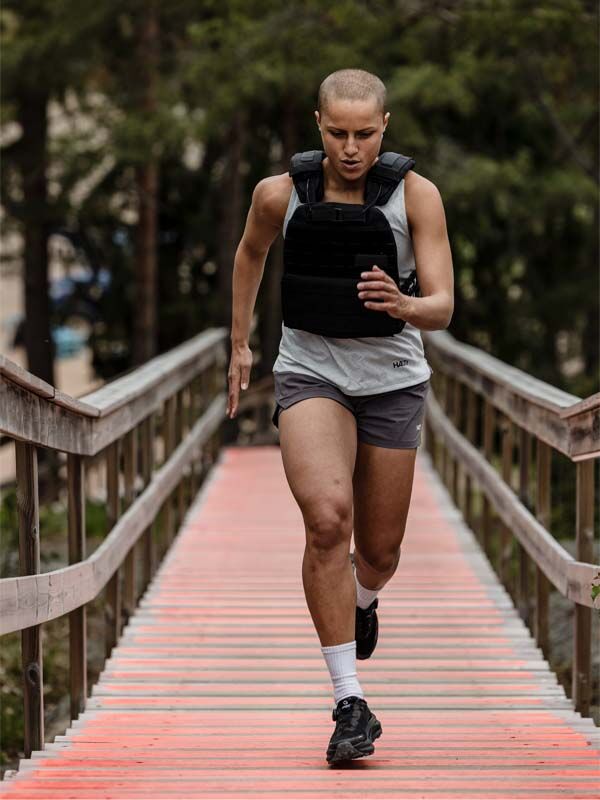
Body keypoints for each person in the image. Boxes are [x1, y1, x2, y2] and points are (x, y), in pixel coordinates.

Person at [227, 68, 454, 764]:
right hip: (311, 370)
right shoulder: (280, 195)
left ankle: (363, 598)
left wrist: (404, 304)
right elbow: (250, 254)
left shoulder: (416, 196)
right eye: (336, 133)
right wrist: (238, 343)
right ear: (317, 124)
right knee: (328, 519)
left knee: (379, 552)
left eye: (363, 133)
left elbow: (442, 307)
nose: (350, 147)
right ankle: (349, 701)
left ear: (384, 126)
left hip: (391, 379)